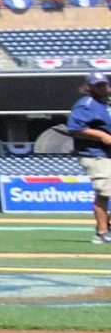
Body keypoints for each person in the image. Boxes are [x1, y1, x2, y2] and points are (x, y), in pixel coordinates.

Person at [71, 77, 111, 243]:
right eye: (98, 85)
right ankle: (102, 233)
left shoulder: (106, 104)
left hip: (107, 154)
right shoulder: (85, 104)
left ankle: (104, 227)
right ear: (89, 87)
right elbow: (75, 128)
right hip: (95, 154)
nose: (102, 88)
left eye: (104, 84)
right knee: (104, 193)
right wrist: (102, 135)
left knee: (103, 194)